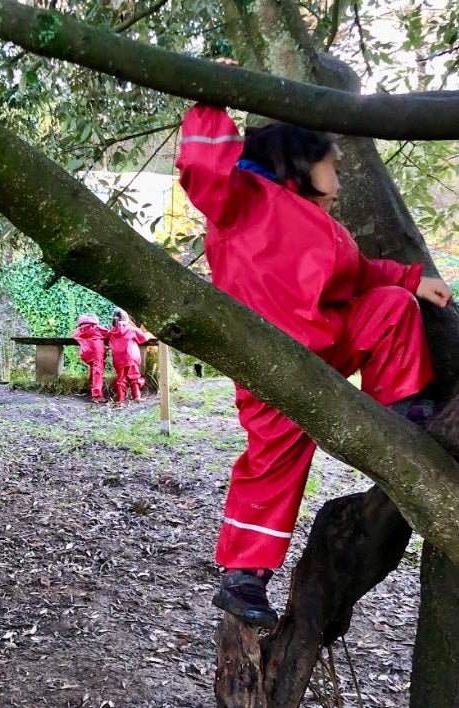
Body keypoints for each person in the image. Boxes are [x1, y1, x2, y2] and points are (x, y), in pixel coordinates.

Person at [177, 102, 452, 629]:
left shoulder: (325, 228)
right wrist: (208, 103)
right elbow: (203, 172)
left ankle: (402, 413)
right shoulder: (242, 199)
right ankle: (244, 573)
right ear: (301, 161)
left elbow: (360, 275)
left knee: (392, 307)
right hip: (270, 364)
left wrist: (410, 278)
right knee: (274, 460)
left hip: (327, 345)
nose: (339, 184)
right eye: (335, 168)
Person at [107, 308, 149, 403]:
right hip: (131, 357)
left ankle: (121, 399)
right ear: (126, 319)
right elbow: (142, 338)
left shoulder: (111, 332)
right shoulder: (132, 329)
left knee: (121, 378)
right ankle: (136, 396)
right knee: (134, 376)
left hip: (118, 359)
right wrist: (148, 335)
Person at [72, 314, 110, 402]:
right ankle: (97, 396)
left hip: (85, 353)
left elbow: (74, 336)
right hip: (97, 353)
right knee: (98, 372)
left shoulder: (78, 331)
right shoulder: (97, 328)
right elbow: (109, 334)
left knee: (93, 369)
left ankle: (90, 387)